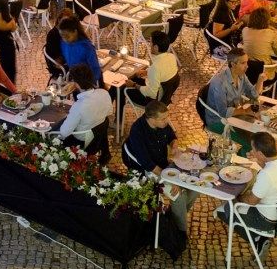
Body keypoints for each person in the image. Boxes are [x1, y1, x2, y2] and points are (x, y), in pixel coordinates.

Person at [122, 101, 199, 235]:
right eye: (163, 119)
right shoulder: (137, 131)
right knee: (178, 196)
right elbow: (148, 164)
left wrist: (174, 145)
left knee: (195, 186)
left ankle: (174, 218)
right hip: (148, 171)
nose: (167, 121)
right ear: (151, 119)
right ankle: (180, 233)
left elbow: (171, 136)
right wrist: (171, 181)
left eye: (167, 117)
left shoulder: (162, 123)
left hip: (164, 165)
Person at [220, 132, 277, 232]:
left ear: (261, 153)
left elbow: (251, 201)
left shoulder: (266, 175)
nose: (251, 150)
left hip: (267, 221)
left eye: (253, 149)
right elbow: (271, 166)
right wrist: (259, 159)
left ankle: (256, 240)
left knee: (225, 209)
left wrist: (238, 197)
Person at [120, 30, 178, 126]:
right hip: (165, 97)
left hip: (153, 102)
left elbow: (151, 93)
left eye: (150, 43)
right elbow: (163, 73)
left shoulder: (155, 67)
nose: (149, 44)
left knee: (121, 88)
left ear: (155, 47)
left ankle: (118, 122)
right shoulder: (171, 57)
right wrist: (147, 72)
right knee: (134, 79)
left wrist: (134, 85)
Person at [206, 48, 260, 130]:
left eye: (247, 62)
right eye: (243, 63)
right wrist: (245, 111)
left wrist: (260, 80)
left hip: (233, 117)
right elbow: (223, 112)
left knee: (257, 129)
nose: (247, 66)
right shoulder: (220, 83)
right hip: (218, 122)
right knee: (250, 136)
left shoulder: (241, 75)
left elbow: (254, 95)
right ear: (233, 64)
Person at [58, 65, 112, 148]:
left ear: (76, 83)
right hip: (98, 135)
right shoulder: (104, 93)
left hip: (82, 141)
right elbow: (109, 112)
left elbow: (64, 132)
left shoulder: (79, 106)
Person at [57, 15, 103, 88]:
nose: (65, 39)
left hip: (91, 82)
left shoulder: (86, 47)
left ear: (75, 32)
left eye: (67, 36)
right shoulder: (64, 43)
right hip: (76, 80)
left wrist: (87, 85)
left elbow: (95, 69)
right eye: (62, 36)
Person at [43, 5, 70, 80]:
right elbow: (56, 60)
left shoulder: (67, 32)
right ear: (59, 20)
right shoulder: (53, 34)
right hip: (60, 64)